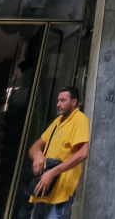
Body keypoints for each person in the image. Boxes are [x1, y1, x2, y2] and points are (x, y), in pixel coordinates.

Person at [28, 87, 89, 219]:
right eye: (58, 100)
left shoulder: (79, 119)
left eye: (63, 100)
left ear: (74, 102)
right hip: (43, 189)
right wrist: (38, 155)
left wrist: (53, 172)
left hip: (60, 193)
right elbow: (34, 147)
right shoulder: (58, 121)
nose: (58, 104)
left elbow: (83, 153)